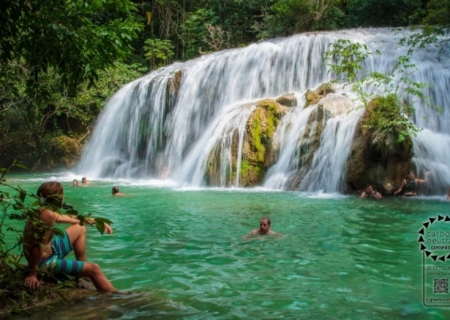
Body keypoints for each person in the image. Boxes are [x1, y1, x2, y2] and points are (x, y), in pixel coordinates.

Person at [23, 181, 116, 292]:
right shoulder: (47, 215)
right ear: (58, 198)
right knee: (94, 268)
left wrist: (96, 221)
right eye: (62, 195)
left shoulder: (45, 211)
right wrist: (33, 274)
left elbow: (74, 219)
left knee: (80, 227)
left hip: (51, 252)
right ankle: (116, 297)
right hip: (43, 263)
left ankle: (83, 273)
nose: (63, 198)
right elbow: (38, 246)